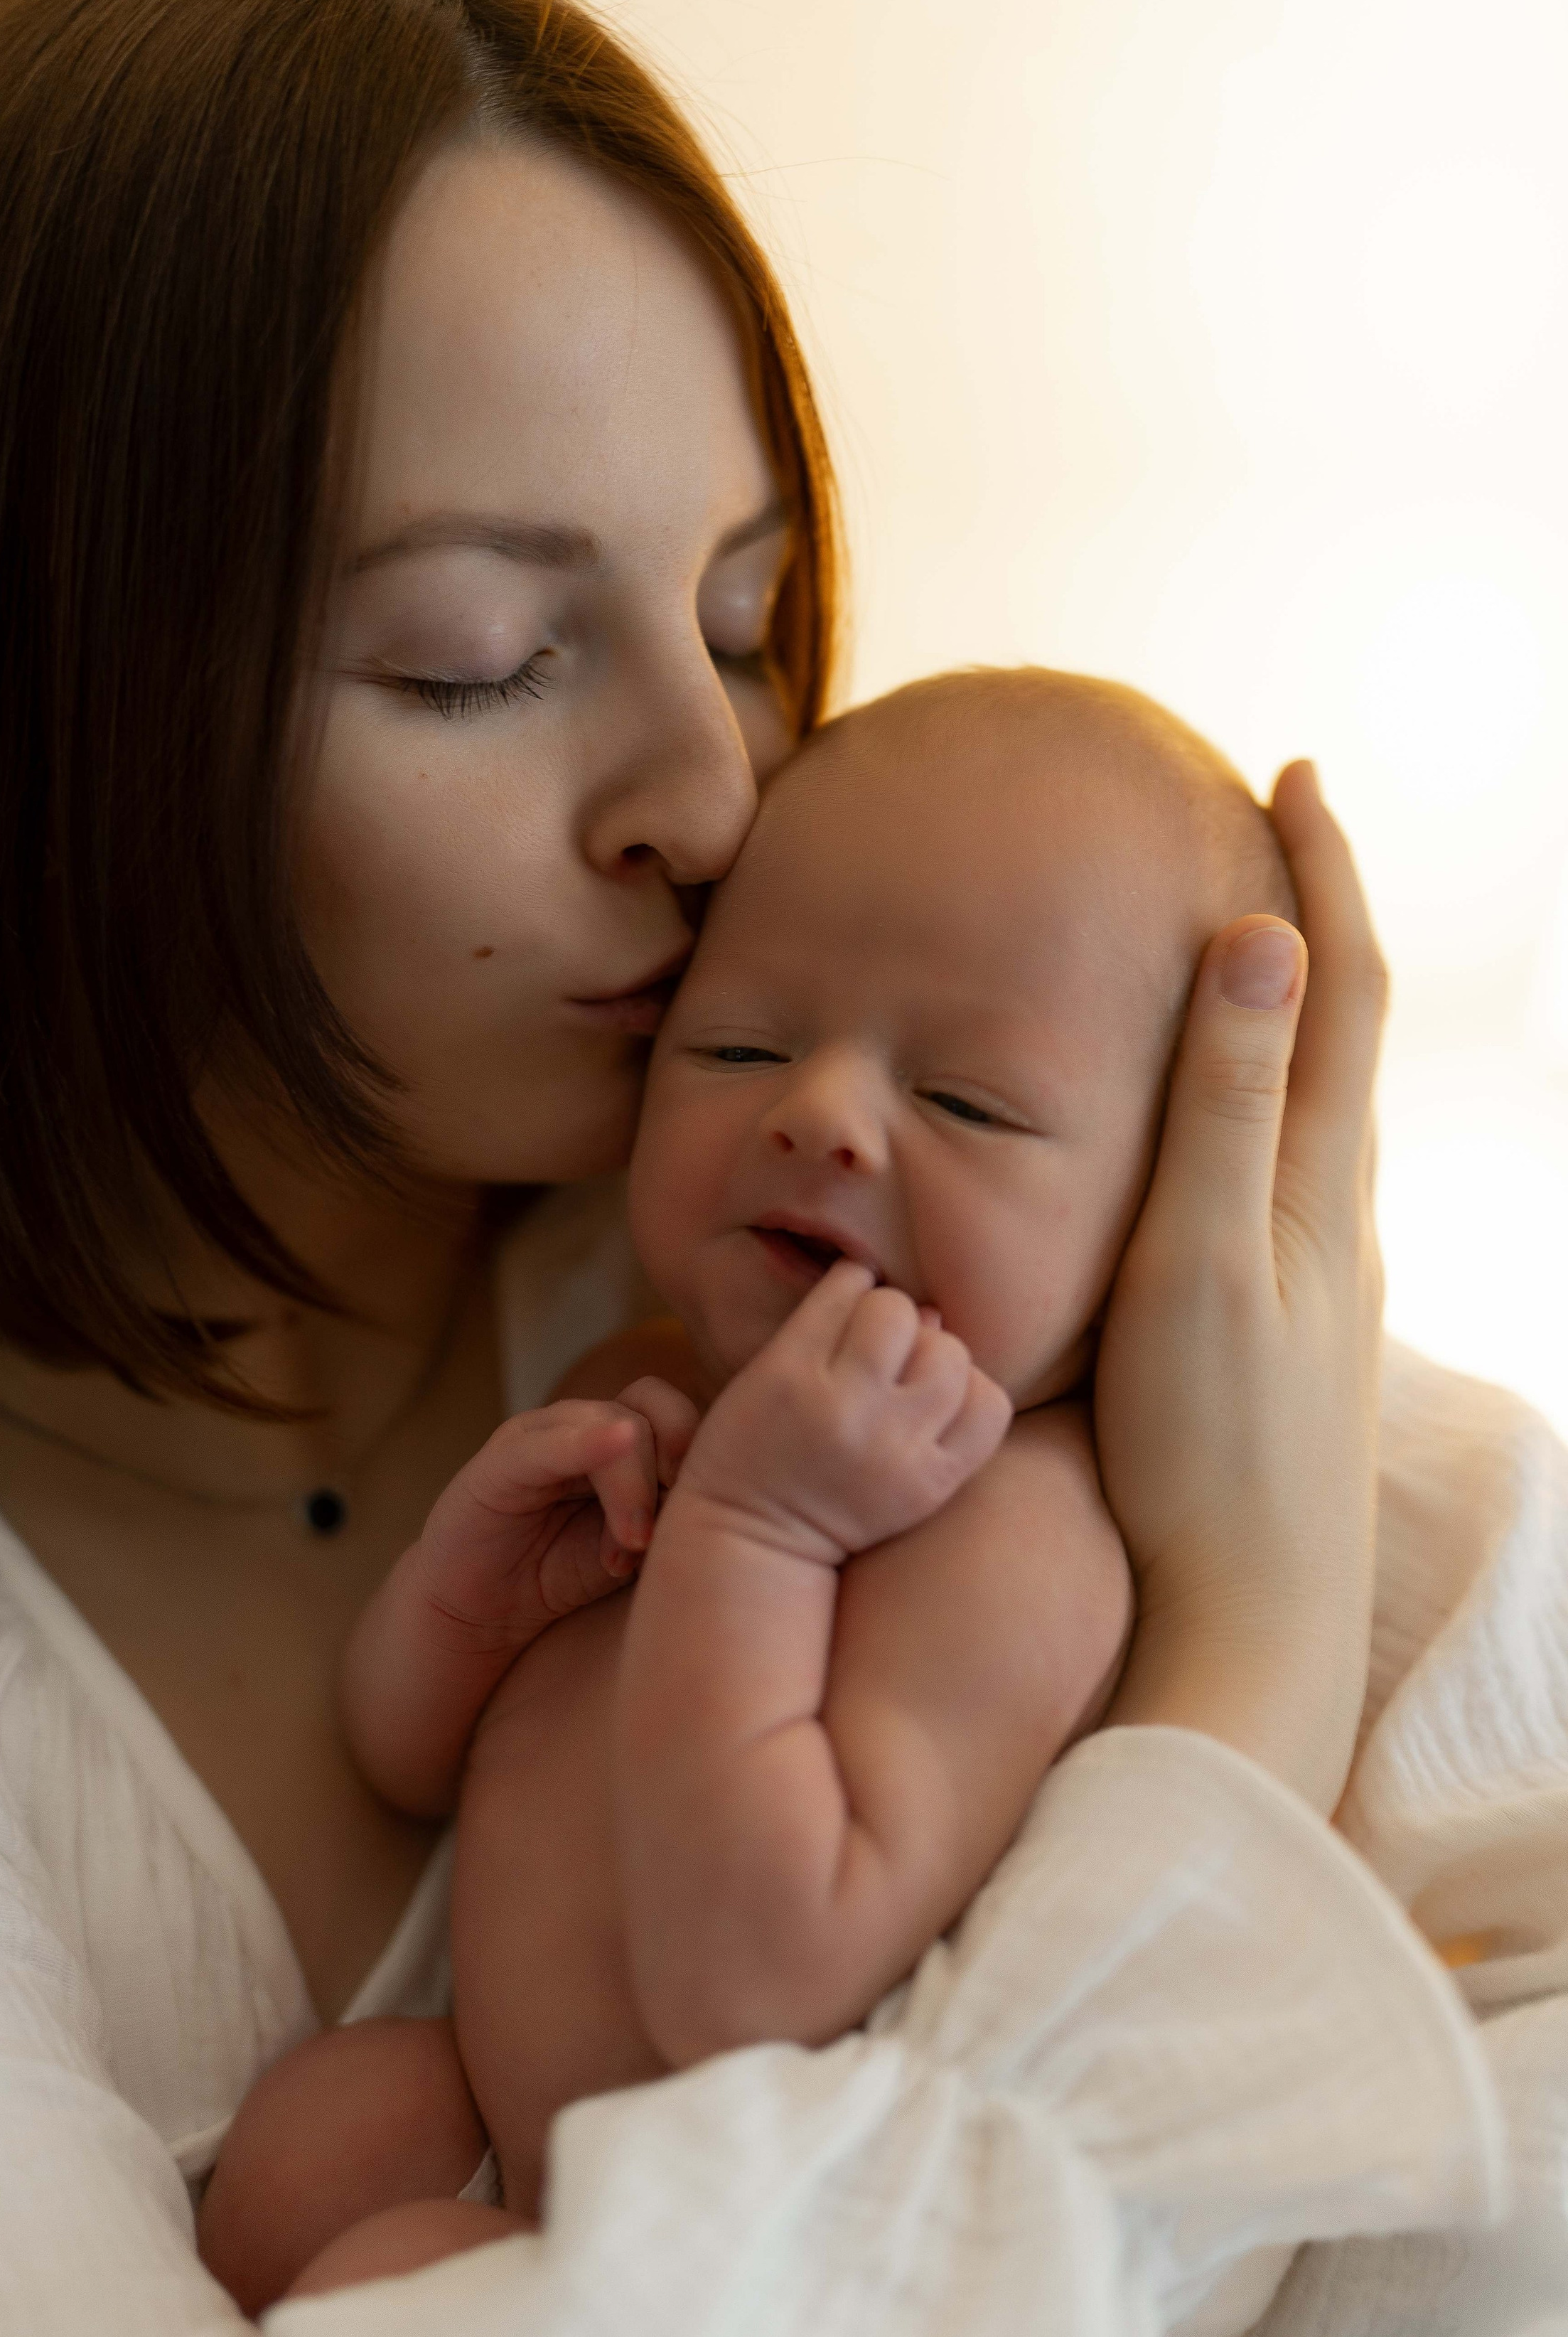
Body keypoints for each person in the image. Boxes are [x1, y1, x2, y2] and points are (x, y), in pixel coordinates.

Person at [0, 0, 1560, 2334]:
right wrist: (1241, 1665)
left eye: (743, 614)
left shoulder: (828, 1253)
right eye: (482, 659)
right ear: (39, 715)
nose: (717, 801)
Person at [198, 668, 1307, 2309]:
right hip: (509, 2130)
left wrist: (761, 1534)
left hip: (735, 2236)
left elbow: (753, 1976)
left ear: (1163, 1215)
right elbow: (407, 1754)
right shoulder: (630, 1385)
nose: (818, 1114)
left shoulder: (1008, 1531)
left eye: (964, 1103)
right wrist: (463, 1597)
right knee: (306, 2151)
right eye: (739, 1042)